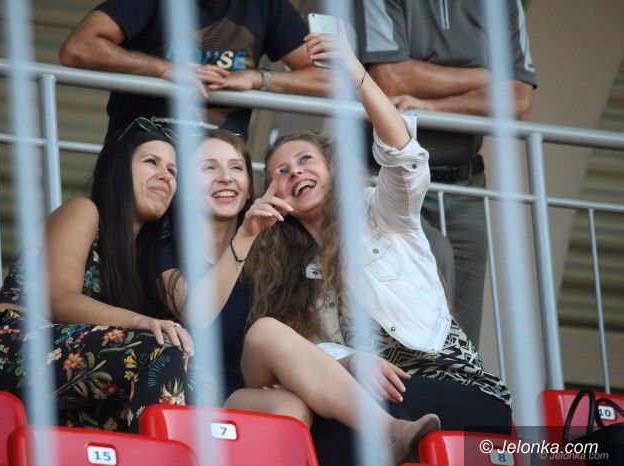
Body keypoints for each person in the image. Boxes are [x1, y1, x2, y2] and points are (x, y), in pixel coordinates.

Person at [227, 22, 512, 465]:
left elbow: (404, 158)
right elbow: (295, 357)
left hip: (451, 390)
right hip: (365, 399)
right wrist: (350, 361)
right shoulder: (284, 268)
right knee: (298, 401)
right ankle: (389, 432)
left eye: (305, 160)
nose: (295, 172)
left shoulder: (383, 214)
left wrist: (355, 72)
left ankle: (390, 432)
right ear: (274, 194)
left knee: (332, 427)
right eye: (280, 171)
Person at [0, 119, 193, 433]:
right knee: (159, 351)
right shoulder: (84, 210)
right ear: (118, 171)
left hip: (58, 381)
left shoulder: (142, 260)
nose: (165, 175)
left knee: (189, 375)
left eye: (173, 170)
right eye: (151, 162)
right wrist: (142, 322)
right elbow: (59, 300)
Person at [355, 0, 537, 345]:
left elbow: (518, 100)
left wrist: (432, 105)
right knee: (397, 329)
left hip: (465, 187)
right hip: (392, 183)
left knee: (463, 336)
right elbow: (390, 80)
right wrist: (487, 77)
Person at [59, 0, 330, 139]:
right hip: (140, 152)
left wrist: (257, 78)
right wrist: (166, 70)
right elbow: (78, 48)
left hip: (219, 167)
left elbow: (330, 80)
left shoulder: (266, 5)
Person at [158, 128, 291, 402]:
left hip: (241, 391)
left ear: (249, 187)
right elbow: (196, 312)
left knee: (289, 404)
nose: (226, 177)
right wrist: (246, 235)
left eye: (236, 167)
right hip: (182, 392)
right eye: (209, 167)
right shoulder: (164, 242)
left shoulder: (270, 250)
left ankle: (385, 424)